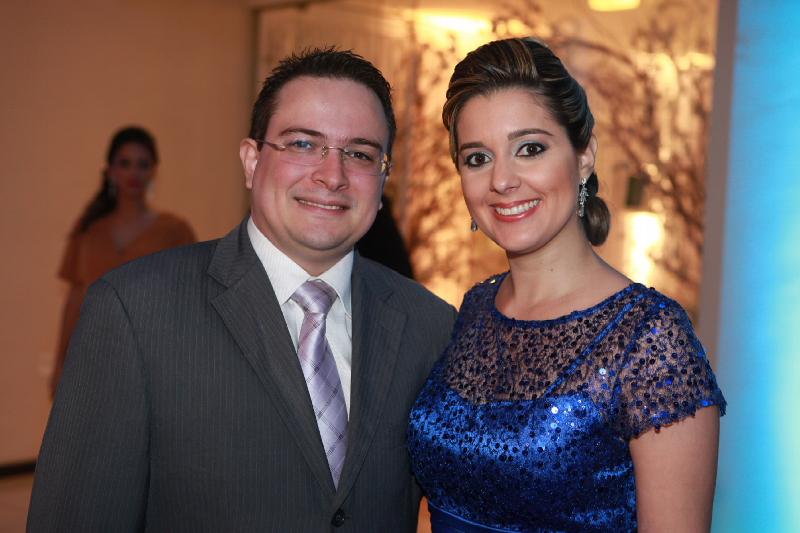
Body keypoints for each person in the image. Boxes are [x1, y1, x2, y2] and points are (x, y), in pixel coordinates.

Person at [29, 49, 456, 532]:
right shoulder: (134, 311)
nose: (332, 175)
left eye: (359, 154)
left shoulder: (430, 326)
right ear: (252, 162)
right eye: (302, 144)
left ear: (382, 180)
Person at [407, 37, 725, 532]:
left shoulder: (650, 339)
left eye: (530, 149)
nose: (502, 180)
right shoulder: (474, 308)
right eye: (478, 158)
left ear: (584, 157)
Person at [50, 126, 196, 397]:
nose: (134, 173)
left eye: (143, 164)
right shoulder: (89, 229)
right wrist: (60, 366)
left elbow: (189, 304)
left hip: (152, 366)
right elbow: (74, 298)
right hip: (92, 361)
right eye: (125, 163)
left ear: (154, 171)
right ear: (110, 171)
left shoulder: (174, 231)